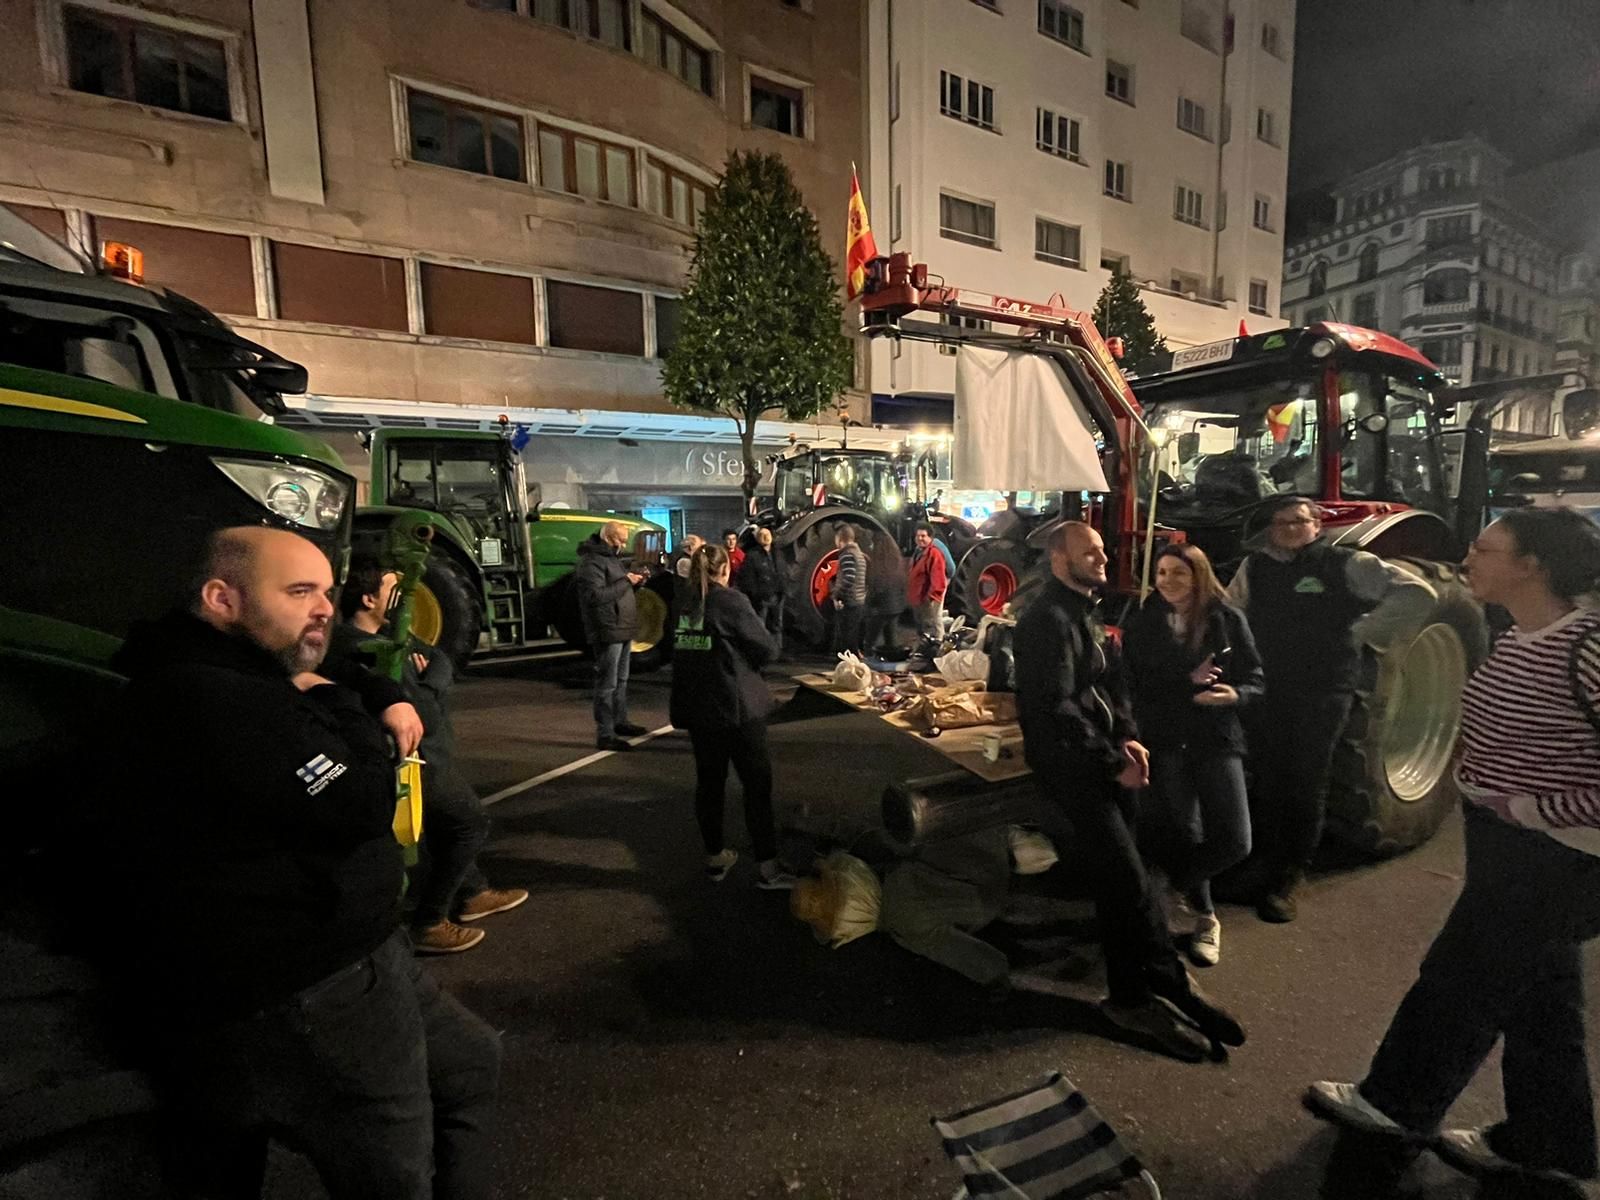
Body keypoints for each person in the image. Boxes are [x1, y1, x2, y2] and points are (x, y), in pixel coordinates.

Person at [94, 526, 500, 1199]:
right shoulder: (219, 701)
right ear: (222, 598)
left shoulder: (221, 664)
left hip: (346, 958)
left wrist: (374, 687)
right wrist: (354, 707)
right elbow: (363, 798)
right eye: (300, 590)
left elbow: (318, 660)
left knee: (472, 1064)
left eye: (327, 590)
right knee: (392, 1173)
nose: (323, 608)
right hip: (317, 985)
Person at [1306, 507, 1600, 1189]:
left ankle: (1389, 1111)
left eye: (1486, 548)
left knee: (1458, 984)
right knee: (1542, 1003)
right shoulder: (1521, 634)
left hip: (1559, 853)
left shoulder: (1587, 646)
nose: (1469, 557)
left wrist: (1534, 807)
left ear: (1533, 567)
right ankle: (1548, 1144)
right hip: (1513, 842)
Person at [1014, 521, 1246, 1062]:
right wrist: (1111, 758)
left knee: (1123, 883)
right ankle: (1168, 984)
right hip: (1074, 770)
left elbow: (1112, 684)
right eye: (1088, 551)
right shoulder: (1044, 622)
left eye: (1100, 548)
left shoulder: (1085, 612)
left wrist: (1130, 738)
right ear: (1057, 559)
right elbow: (1055, 708)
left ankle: (1131, 995)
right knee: (1128, 879)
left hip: (1105, 762)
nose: (1101, 557)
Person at [1226, 495, 1435, 922]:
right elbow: (1233, 612)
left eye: (1299, 521)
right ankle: (1260, 863)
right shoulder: (1256, 567)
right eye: (1281, 523)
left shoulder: (1347, 565)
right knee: (1267, 774)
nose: (1289, 529)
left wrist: (1363, 632)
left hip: (1322, 689)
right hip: (1268, 685)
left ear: (1316, 525)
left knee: (1305, 779)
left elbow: (1418, 593)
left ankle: (1288, 875)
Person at [333, 560, 529, 955]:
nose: (404, 598)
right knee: (469, 824)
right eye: (394, 589)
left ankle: (473, 892)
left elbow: (437, 659)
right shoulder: (366, 651)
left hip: (426, 756)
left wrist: (430, 678)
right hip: (415, 761)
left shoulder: (388, 635)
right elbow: (428, 715)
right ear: (368, 599)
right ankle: (429, 921)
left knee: (443, 827)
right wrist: (431, 687)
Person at [1124, 543, 1264, 967]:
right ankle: (1206, 919)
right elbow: (1133, 685)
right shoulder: (1144, 620)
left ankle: (1170, 885)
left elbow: (1256, 677)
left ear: (1198, 575)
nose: (1167, 582)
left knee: (1236, 839)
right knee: (1185, 830)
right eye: (1162, 573)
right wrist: (1187, 682)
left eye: (1178, 574)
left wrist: (1235, 694)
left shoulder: (1225, 619)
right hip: (1166, 740)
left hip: (1216, 737)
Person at [670, 543, 796, 890]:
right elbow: (767, 648)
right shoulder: (730, 601)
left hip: (699, 710)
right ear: (725, 569)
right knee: (756, 786)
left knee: (709, 786)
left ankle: (715, 858)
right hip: (737, 708)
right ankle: (769, 868)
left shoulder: (684, 603)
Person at [577, 519, 649, 751]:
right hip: (608, 629)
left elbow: (617, 588)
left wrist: (635, 582)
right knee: (607, 684)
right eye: (621, 540)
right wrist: (626, 581)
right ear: (609, 538)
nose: (623, 545)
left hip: (622, 627)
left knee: (621, 680)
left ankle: (620, 722)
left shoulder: (611, 559)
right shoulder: (591, 562)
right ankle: (605, 733)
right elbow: (594, 597)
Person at [736, 525, 785, 657]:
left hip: (777, 595)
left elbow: (783, 572)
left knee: (777, 626)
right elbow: (747, 578)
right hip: (762, 597)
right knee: (760, 626)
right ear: (758, 539)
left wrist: (783, 589)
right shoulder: (752, 556)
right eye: (762, 535)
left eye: (767, 535)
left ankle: (777, 652)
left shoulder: (778, 553)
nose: (766, 537)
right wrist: (757, 594)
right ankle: (762, 652)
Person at [906, 523, 949, 644]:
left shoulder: (934, 554)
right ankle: (924, 643)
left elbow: (938, 578)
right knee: (922, 624)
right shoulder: (918, 552)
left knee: (932, 623)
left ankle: (936, 646)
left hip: (927, 599)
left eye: (923, 536)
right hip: (918, 597)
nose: (920, 538)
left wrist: (933, 597)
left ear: (930, 538)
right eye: (918, 536)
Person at [831, 524, 869, 656]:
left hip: (850, 600)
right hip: (859, 599)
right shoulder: (859, 554)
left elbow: (848, 578)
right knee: (853, 633)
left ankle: (848, 663)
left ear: (840, 539)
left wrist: (837, 595)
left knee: (848, 635)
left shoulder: (847, 554)